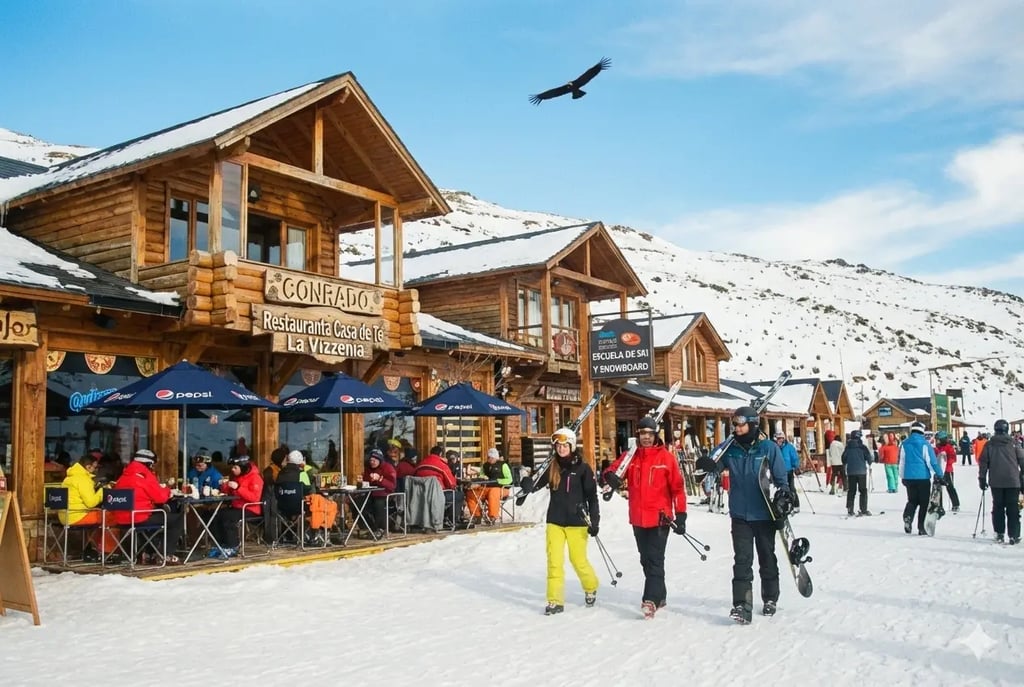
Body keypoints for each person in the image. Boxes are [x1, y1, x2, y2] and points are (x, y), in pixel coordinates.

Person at [696, 406, 789, 624]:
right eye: (734, 425)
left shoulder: (768, 448)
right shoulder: (730, 448)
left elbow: (781, 479)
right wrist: (708, 464)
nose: (736, 429)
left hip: (765, 513)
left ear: (753, 424)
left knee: (767, 557)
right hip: (740, 514)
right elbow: (714, 462)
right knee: (742, 561)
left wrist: (784, 497)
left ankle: (770, 597)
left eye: (740, 424)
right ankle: (741, 605)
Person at [603, 416, 687, 619]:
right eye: (642, 434)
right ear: (638, 435)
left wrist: (681, 514)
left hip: (660, 518)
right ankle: (661, 595)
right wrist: (609, 477)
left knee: (655, 559)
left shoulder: (666, 458)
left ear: (655, 434)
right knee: (646, 560)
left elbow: (677, 488)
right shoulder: (630, 456)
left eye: (649, 434)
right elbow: (611, 471)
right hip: (638, 517)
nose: (646, 438)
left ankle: (650, 599)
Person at [534, 427, 599, 615]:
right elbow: (536, 483)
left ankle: (591, 585)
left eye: (564, 445)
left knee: (577, 560)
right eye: (558, 445)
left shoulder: (583, 468)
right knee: (554, 561)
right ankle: (555, 601)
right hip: (555, 520)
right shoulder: (552, 466)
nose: (561, 449)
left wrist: (594, 521)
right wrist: (527, 486)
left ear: (572, 445)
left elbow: (592, 497)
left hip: (577, 521)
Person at [113, 449, 185, 565]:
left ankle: (148, 553)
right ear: (149, 463)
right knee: (176, 518)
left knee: (157, 516)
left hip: (122, 519)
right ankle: (165, 554)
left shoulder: (123, 477)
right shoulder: (144, 476)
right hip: (138, 518)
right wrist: (168, 490)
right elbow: (161, 498)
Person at [59, 453, 117, 561]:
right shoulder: (83, 479)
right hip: (77, 516)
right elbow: (91, 503)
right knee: (111, 517)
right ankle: (108, 552)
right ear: (88, 467)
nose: (96, 469)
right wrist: (105, 490)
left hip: (66, 516)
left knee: (99, 518)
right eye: (95, 467)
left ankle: (95, 549)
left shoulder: (69, 478)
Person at [978, 419, 1024, 545]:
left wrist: (982, 478)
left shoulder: (989, 444)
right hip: (1013, 481)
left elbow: (983, 463)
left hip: (996, 482)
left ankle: (999, 533)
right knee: (1013, 507)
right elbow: (1022, 460)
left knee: (998, 507)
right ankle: (1013, 535)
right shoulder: (1014, 443)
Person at [208, 454, 264, 558]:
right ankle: (221, 544)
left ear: (242, 467)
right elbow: (231, 491)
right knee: (215, 515)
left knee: (228, 518)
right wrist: (225, 486)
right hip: (237, 507)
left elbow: (254, 498)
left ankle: (233, 545)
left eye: (235, 467)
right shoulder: (237, 477)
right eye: (232, 467)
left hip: (251, 508)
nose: (233, 470)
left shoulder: (255, 478)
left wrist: (238, 488)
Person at [898, 421, 944, 536]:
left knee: (912, 500)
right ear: (922, 431)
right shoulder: (925, 444)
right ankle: (921, 527)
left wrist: (902, 476)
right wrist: (939, 475)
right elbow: (931, 462)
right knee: (924, 502)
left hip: (909, 477)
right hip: (922, 477)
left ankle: (908, 517)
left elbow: (901, 462)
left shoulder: (904, 444)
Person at [352, 449, 396, 538]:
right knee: (355, 502)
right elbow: (366, 483)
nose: (372, 462)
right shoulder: (368, 469)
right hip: (370, 494)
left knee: (378, 503)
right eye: (371, 460)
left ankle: (380, 528)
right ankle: (367, 527)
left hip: (385, 494)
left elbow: (392, 486)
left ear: (379, 460)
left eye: (374, 460)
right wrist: (360, 482)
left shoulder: (388, 468)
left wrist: (380, 479)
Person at [415, 445, 464, 523]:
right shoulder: (442, 465)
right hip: (436, 495)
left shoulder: (420, 464)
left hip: (420, 496)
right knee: (459, 495)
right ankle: (453, 521)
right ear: (440, 454)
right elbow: (452, 484)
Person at [466, 447, 513, 522]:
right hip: (486, 487)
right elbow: (481, 475)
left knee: (493, 492)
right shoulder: (485, 466)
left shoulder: (503, 465)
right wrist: (483, 477)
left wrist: (498, 481)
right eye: (488, 457)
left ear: (495, 457)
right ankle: (476, 515)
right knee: (471, 493)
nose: (489, 459)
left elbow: (510, 479)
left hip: (502, 488)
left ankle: (492, 516)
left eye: (491, 457)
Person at [841, 430, 873, 516]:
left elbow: (843, 459)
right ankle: (863, 509)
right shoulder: (863, 447)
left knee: (851, 490)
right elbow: (869, 458)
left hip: (851, 472)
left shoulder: (848, 447)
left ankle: (850, 509)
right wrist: (869, 462)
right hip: (861, 472)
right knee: (863, 491)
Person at [933, 431, 961, 513]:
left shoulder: (949, 447)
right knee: (937, 488)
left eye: (938, 440)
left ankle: (955, 504)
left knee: (950, 487)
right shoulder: (936, 448)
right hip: (939, 471)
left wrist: (946, 459)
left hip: (948, 471)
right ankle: (938, 505)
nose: (936, 441)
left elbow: (953, 458)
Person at [775, 432, 801, 514]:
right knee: (782, 489)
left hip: (788, 470)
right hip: (779, 472)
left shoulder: (789, 447)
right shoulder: (775, 448)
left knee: (791, 488)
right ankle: (783, 505)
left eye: (781, 438)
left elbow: (794, 457)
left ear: (784, 438)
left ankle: (796, 505)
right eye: (778, 438)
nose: (780, 440)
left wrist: (796, 466)